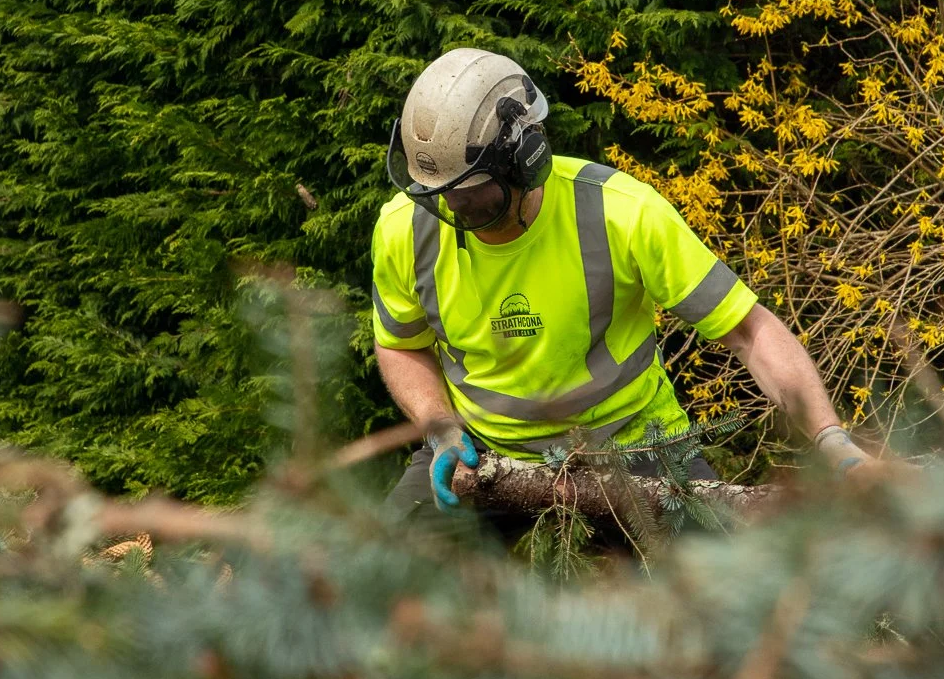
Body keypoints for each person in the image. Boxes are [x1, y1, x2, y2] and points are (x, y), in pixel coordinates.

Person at [373, 47, 872, 513]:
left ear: (527, 159)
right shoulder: (407, 228)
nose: (454, 207)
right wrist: (440, 427)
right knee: (390, 576)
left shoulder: (620, 213)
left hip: (639, 447)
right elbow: (400, 344)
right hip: (482, 455)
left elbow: (749, 332)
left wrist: (832, 441)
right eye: (441, 194)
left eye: (473, 193)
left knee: (711, 592)